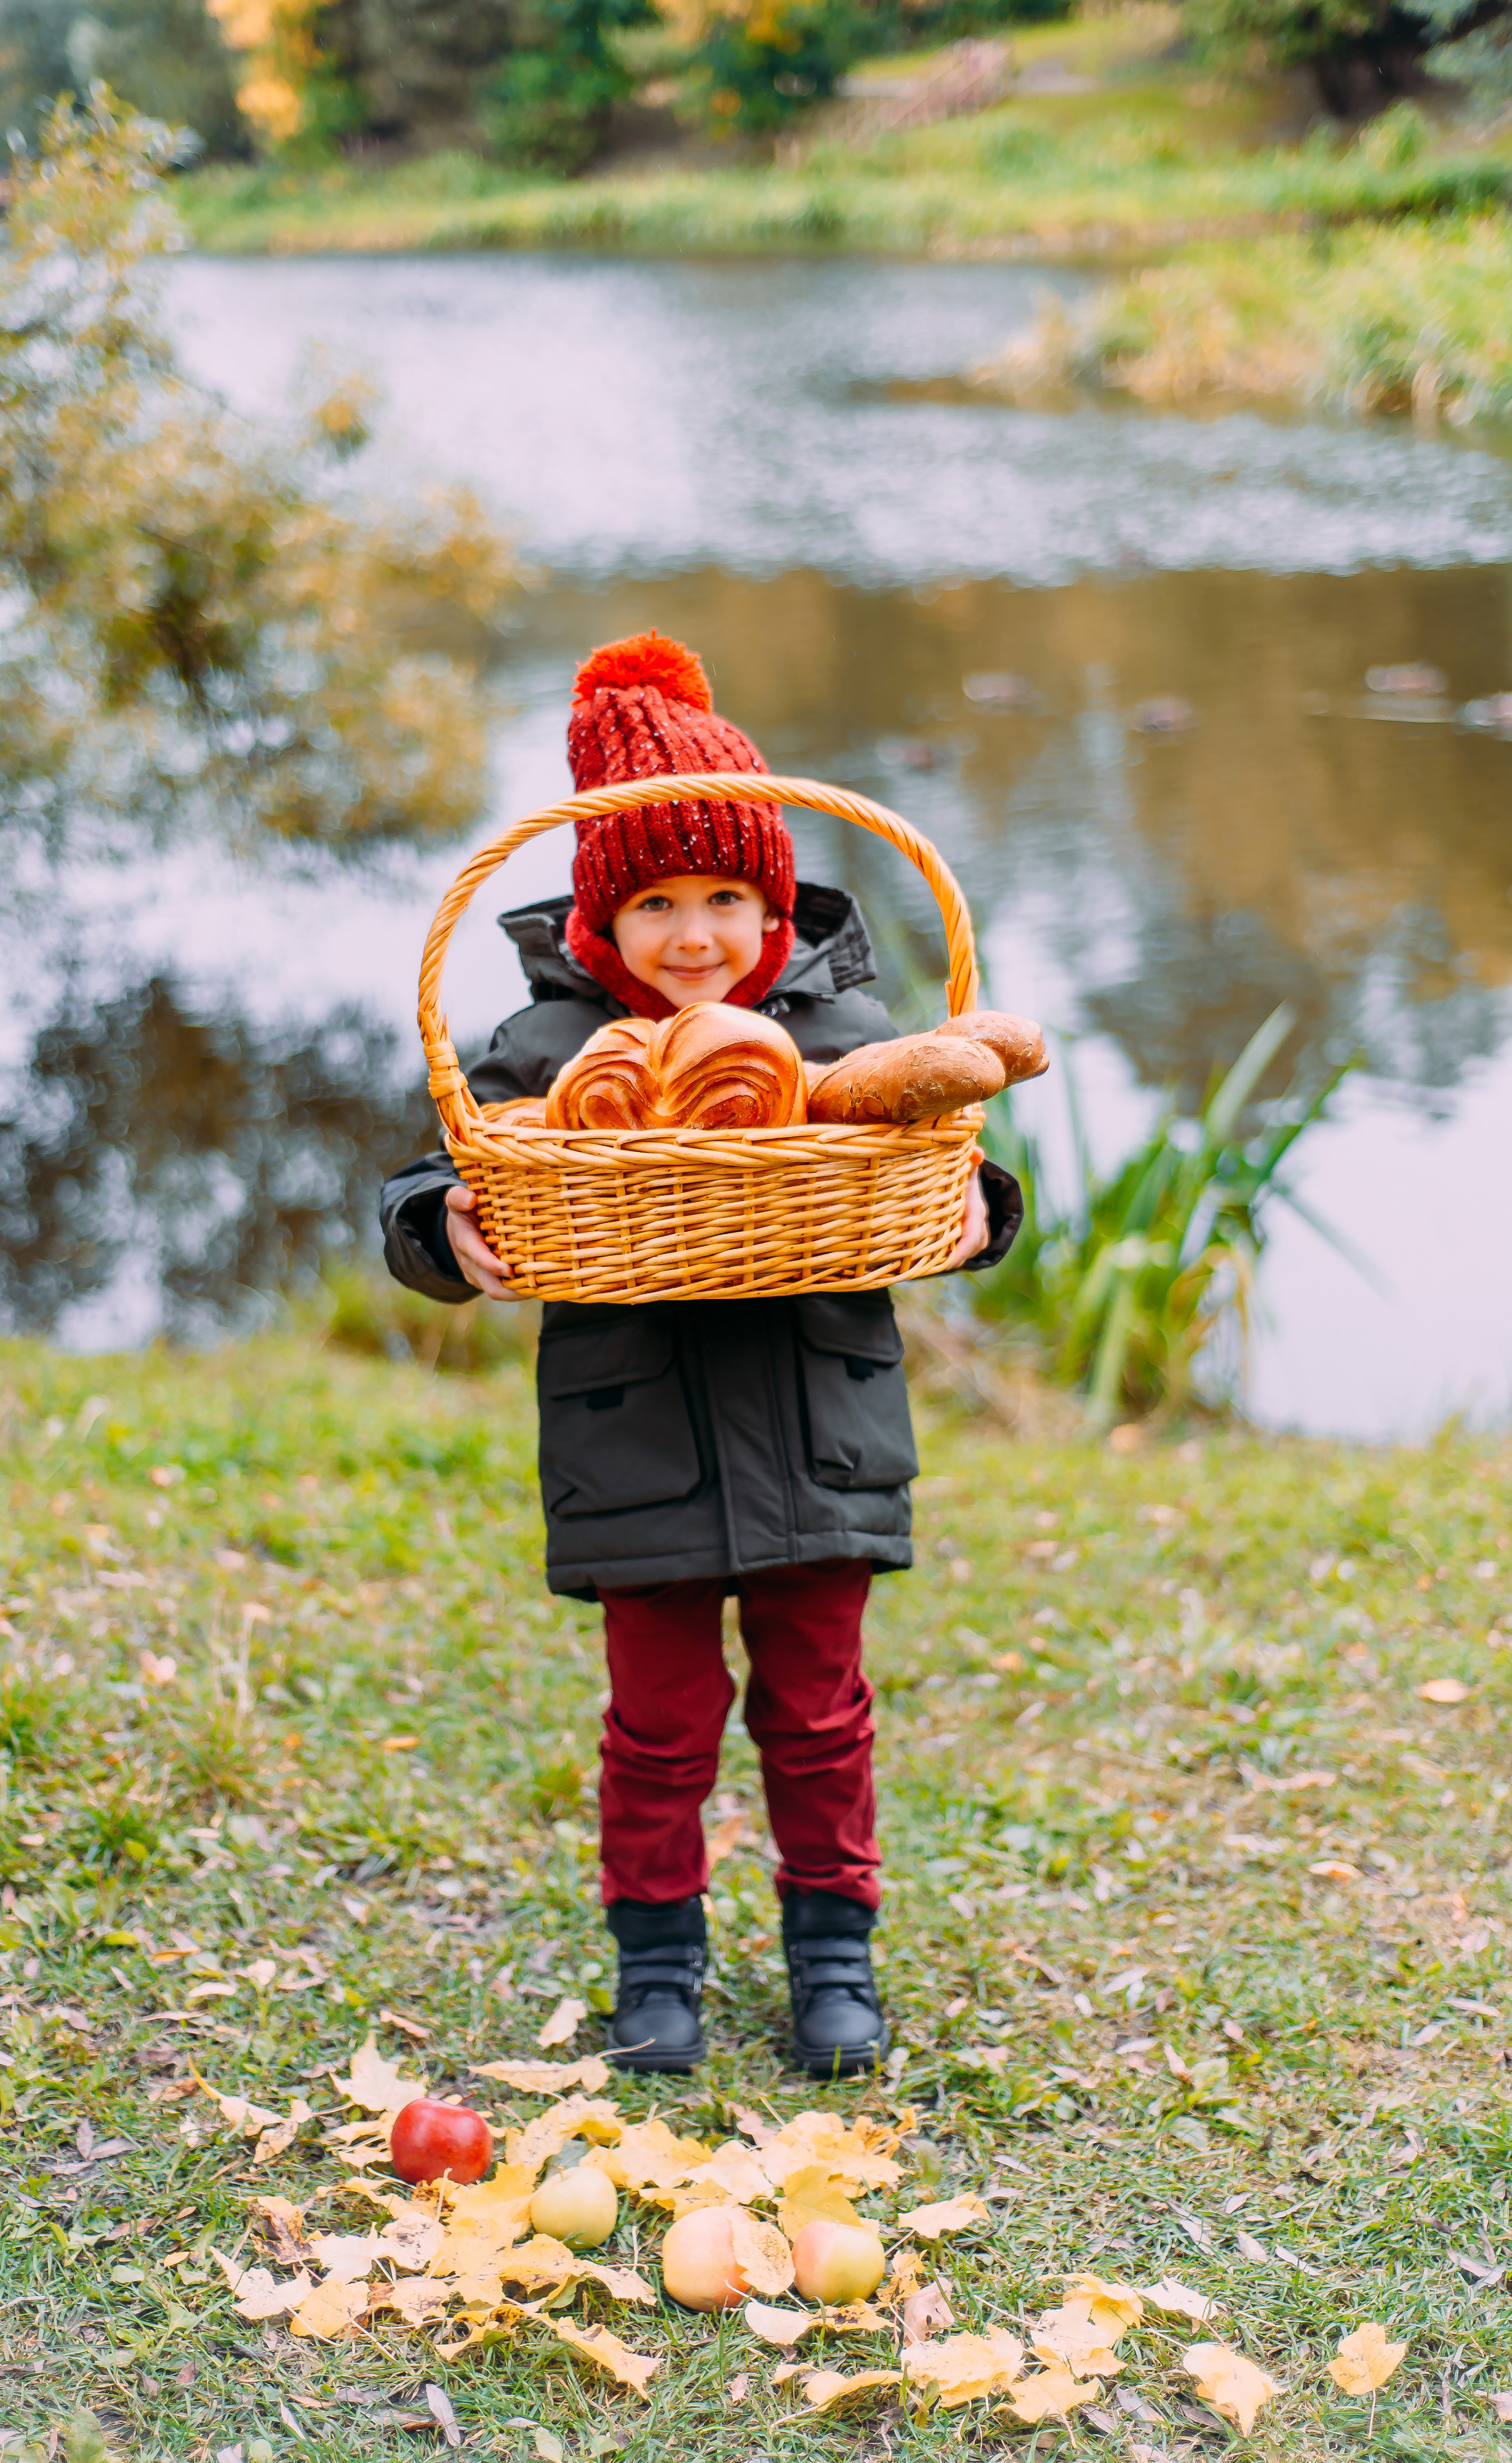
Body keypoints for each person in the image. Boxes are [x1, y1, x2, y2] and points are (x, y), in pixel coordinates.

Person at [382, 631, 1023, 2078]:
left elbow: (937, 1170)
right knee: (657, 1725)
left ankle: (831, 1953)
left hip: (822, 1433)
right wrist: (441, 1224)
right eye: (655, 902)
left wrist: (976, 1206)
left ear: (773, 909)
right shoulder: (547, 1053)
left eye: (725, 897)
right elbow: (446, 1171)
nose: (692, 937)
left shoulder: (847, 1040)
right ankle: (657, 1959)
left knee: (817, 1711)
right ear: (600, 919)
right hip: (634, 1450)